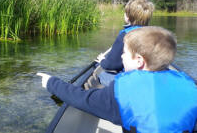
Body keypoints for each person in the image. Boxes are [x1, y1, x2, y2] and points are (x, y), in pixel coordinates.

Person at [37, 27, 197, 132]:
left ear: (139, 61)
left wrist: (51, 82)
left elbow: (81, 98)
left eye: (125, 53)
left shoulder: (123, 91)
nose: (121, 56)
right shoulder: (190, 86)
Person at [96, 0, 154, 86]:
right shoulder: (153, 35)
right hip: (148, 77)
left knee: (101, 74)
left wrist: (102, 61)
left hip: (131, 81)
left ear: (127, 17)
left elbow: (111, 65)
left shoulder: (124, 36)